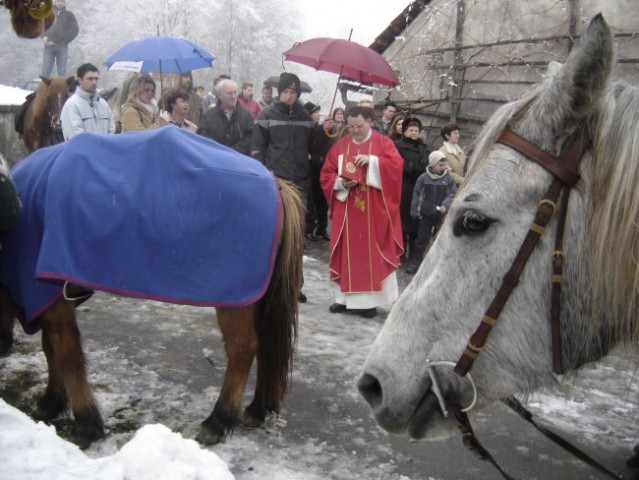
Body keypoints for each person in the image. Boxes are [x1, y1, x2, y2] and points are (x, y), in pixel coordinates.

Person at [319, 106, 404, 318]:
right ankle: (343, 299)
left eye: (359, 126)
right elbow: (326, 174)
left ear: (371, 122)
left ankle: (369, 302)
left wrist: (373, 162)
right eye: (351, 126)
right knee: (345, 251)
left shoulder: (384, 143)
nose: (354, 130)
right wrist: (339, 182)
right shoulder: (340, 146)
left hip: (373, 210)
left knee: (370, 253)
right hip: (346, 208)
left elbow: (396, 167)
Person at [251, 72, 325, 303]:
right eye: (285, 91)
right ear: (278, 92)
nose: (289, 96)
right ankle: (268, 285)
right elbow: (257, 149)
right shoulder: (266, 115)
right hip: (275, 183)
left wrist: (323, 130)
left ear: (298, 94)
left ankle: (294, 285)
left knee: (296, 236)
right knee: (274, 235)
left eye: (293, 92)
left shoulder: (305, 118)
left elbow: (317, 150)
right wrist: (262, 176)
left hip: (300, 183)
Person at [407, 150, 457, 274]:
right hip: (426, 215)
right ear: (433, 164)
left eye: (444, 164)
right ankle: (416, 262)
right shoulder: (423, 178)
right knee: (422, 240)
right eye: (440, 164)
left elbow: (452, 193)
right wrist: (415, 211)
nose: (443, 167)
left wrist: (445, 205)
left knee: (439, 240)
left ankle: (435, 265)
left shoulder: (448, 179)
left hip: (441, 216)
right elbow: (417, 195)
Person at [394, 117, 432, 263]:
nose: (414, 133)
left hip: (420, 188)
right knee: (403, 220)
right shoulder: (397, 145)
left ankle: (414, 253)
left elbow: (428, 166)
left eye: (417, 130)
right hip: (404, 186)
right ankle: (400, 251)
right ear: (405, 131)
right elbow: (398, 164)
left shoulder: (424, 148)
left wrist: (420, 170)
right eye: (411, 130)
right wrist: (412, 168)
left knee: (416, 220)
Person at [198, 78, 253, 155]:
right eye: (229, 93)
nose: (233, 96)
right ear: (220, 95)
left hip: (239, 159)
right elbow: (203, 135)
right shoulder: (209, 115)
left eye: (235, 92)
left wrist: (233, 151)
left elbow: (250, 137)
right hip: (215, 158)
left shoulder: (246, 116)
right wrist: (219, 150)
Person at [60, 63, 115, 140]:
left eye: (96, 79)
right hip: (81, 151)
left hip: (104, 151)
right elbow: (76, 137)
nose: (94, 82)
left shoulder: (103, 104)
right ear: (80, 80)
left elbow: (112, 131)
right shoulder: (72, 105)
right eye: (90, 78)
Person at [303, 101, 329, 242]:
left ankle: (321, 228)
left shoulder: (320, 128)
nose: (318, 115)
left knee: (322, 200)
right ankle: (308, 228)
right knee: (310, 200)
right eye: (315, 112)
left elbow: (325, 142)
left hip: (321, 167)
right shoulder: (305, 128)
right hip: (308, 167)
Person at [40, 0, 79, 78]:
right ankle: (45, 88)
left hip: (62, 46)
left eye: (62, 1)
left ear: (64, 3)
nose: (60, 3)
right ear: (55, 2)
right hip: (49, 44)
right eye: (58, 1)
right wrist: (43, 36)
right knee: (45, 71)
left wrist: (66, 40)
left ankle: (60, 88)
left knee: (61, 72)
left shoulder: (69, 15)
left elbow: (75, 30)